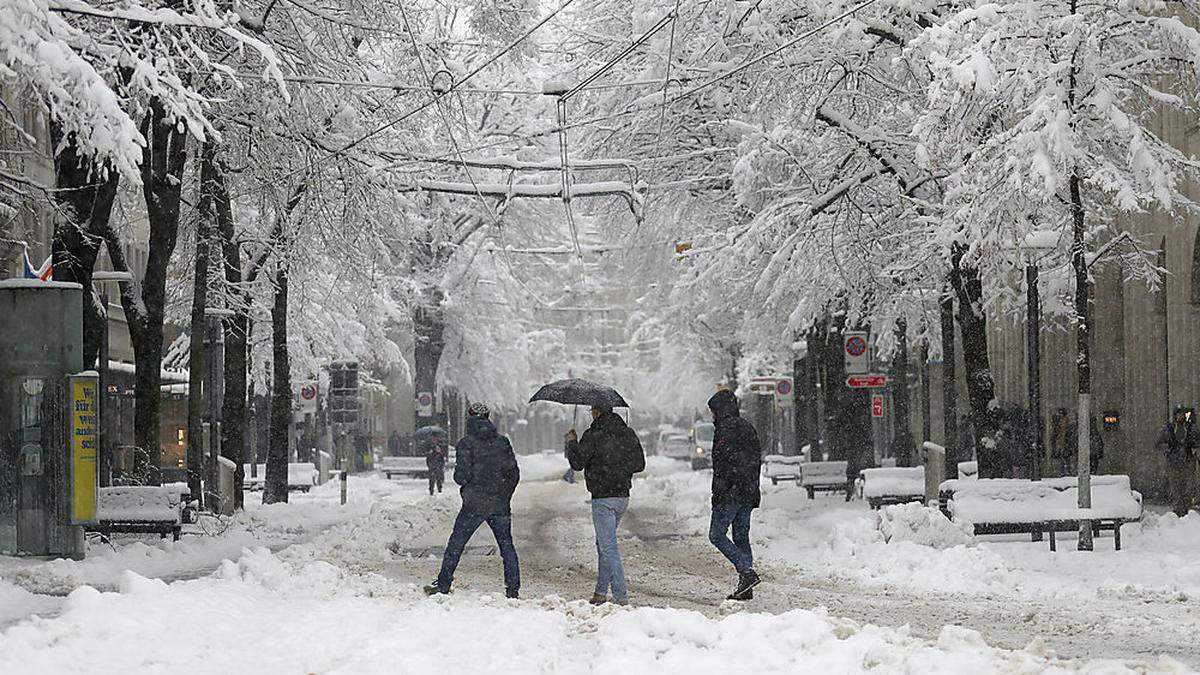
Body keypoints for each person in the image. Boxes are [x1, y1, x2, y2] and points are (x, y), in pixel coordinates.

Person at [425, 402, 521, 598]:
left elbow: (461, 477)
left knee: (456, 544)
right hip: (499, 504)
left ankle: (444, 584)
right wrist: (504, 495)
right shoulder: (502, 442)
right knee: (507, 546)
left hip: (474, 504)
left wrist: (469, 488)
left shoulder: (466, 443)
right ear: (488, 417)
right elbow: (514, 474)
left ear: (469, 418)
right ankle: (512, 589)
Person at [566, 405, 645, 606]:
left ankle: (621, 597)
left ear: (597, 412)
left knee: (608, 547)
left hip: (602, 498)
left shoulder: (593, 435)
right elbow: (640, 464)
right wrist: (620, 466)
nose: (591, 413)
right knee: (604, 544)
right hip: (622, 497)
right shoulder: (627, 433)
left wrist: (571, 443)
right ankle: (600, 592)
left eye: (592, 410)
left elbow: (577, 464)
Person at [706, 389, 763, 601]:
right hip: (748, 492)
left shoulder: (725, 430)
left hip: (730, 493)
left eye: (713, 411)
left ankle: (747, 573)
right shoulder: (747, 427)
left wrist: (720, 491)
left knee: (716, 535)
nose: (712, 416)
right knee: (741, 537)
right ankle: (745, 589)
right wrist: (752, 488)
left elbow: (724, 465)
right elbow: (755, 461)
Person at [1155, 403, 1200, 517]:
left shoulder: (1190, 428)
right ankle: (1178, 511)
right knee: (1176, 489)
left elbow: (1197, 441)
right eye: (1178, 414)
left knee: (1189, 488)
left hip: (1188, 462)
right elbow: (1159, 443)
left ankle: (1188, 512)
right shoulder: (1169, 428)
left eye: (1182, 414)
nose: (1181, 417)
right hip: (1174, 463)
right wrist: (1169, 449)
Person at [1049, 408, 1074, 478]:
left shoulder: (1065, 426)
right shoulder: (1061, 426)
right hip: (1064, 446)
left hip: (1065, 446)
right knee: (1064, 460)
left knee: (1065, 460)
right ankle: (1064, 472)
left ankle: (1065, 472)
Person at [424, 431, 447, 496]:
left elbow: (444, 453)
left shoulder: (440, 444)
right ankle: (431, 490)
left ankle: (439, 489)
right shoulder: (429, 444)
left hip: (438, 461)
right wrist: (429, 452)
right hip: (432, 461)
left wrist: (440, 451)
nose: (434, 439)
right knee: (432, 477)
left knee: (438, 476)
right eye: (433, 437)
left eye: (435, 437)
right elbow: (425, 452)